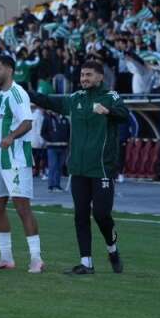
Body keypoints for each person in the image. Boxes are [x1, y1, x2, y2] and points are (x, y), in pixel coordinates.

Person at [31, 61, 130, 275]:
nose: (84, 78)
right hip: (78, 168)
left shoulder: (110, 97)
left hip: (102, 167)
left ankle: (112, 250)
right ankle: (86, 263)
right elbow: (49, 102)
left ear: (100, 77)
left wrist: (108, 111)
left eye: (88, 75)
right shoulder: (76, 98)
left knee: (102, 214)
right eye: (82, 75)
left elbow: (124, 115)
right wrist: (26, 92)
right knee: (80, 215)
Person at [0, 56, 44, 272]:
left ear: (9, 70)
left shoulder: (18, 94)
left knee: (22, 207)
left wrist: (10, 137)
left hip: (16, 159)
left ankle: (36, 258)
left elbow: (27, 122)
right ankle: (6, 258)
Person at [41, 102, 70, 192]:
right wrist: (49, 140)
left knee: (59, 167)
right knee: (53, 166)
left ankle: (57, 185)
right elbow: (43, 132)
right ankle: (51, 185)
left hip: (63, 146)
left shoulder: (65, 119)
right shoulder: (48, 119)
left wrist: (67, 141)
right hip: (52, 146)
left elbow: (69, 132)